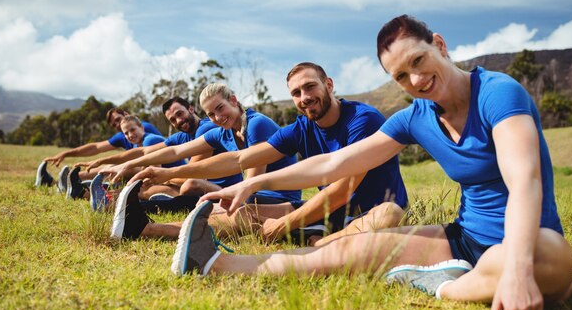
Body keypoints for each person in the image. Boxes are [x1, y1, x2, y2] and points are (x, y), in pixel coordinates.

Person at [177, 15, 572, 310]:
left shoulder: (497, 93)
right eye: (401, 76)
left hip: (530, 243)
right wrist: (257, 181)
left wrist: (519, 267)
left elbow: (525, 180)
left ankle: (450, 286)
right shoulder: (414, 118)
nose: (415, 81)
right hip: (465, 240)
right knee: (344, 252)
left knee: (553, 259)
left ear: (439, 44)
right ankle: (215, 264)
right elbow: (337, 164)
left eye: (418, 61)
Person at [121, 63, 407, 245]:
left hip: (367, 211)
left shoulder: (362, 119)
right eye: (296, 92)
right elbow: (240, 159)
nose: (304, 97)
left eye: (310, 87)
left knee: (389, 215)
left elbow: (343, 190)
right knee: (243, 214)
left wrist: (284, 224)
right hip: (330, 212)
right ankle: (145, 229)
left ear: (328, 85)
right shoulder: (302, 126)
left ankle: (321, 244)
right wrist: (168, 172)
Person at [106, 83, 301, 240]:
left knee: (228, 211)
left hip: (279, 198)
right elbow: (174, 151)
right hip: (254, 195)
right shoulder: (223, 132)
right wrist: (128, 164)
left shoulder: (255, 124)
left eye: (220, 108)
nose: (217, 117)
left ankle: (148, 229)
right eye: (210, 114)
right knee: (208, 209)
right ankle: (140, 226)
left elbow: (251, 184)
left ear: (233, 100)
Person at [77, 97, 240, 204]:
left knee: (185, 185)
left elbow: (191, 173)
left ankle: (105, 198)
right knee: (145, 185)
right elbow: (144, 152)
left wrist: (161, 177)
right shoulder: (182, 136)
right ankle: (100, 197)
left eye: (180, 113)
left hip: (221, 190)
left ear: (191, 109)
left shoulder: (205, 129)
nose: (178, 120)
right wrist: (109, 162)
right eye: (173, 119)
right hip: (199, 185)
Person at [34, 107, 162, 190]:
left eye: (118, 119)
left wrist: (103, 162)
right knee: (117, 166)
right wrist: (66, 153)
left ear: (127, 114)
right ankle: (65, 182)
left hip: (160, 171)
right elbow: (96, 147)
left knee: (121, 166)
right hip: (145, 170)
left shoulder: (144, 131)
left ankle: (70, 180)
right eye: (114, 124)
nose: (117, 125)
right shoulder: (124, 135)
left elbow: (149, 161)